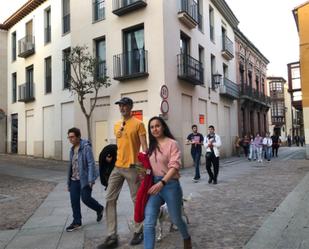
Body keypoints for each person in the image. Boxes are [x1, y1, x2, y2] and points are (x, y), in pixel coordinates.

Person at [97, 97, 147, 249]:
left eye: (125, 105)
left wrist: (144, 170)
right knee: (109, 198)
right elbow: (119, 146)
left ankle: (139, 230)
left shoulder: (139, 124)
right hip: (118, 167)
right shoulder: (117, 125)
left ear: (131, 107)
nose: (122, 108)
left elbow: (144, 148)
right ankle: (112, 236)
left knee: (136, 200)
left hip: (133, 167)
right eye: (120, 105)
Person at [144, 116, 192, 249]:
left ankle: (186, 237)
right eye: (152, 127)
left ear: (163, 127)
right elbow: (149, 167)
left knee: (176, 218)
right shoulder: (151, 147)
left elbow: (175, 166)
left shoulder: (172, 143)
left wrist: (162, 183)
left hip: (170, 185)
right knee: (148, 222)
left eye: (157, 126)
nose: (155, 129)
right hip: (155, 185)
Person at [66, 127, 104, 232]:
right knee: (74, 201)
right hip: (74, 180)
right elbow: (71, 166)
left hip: (85, 179)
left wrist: (91, 180)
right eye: (69, 137)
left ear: (78, 137)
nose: (70, 139)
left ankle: (99, 208)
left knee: (86, 198)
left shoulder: (86, 147)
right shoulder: (72, 150)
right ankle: (77, 222)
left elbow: (91, 163)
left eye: (72, 137)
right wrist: (68, 182)